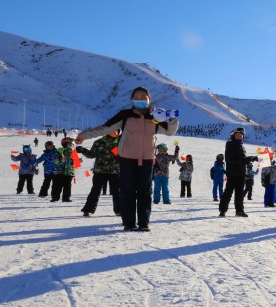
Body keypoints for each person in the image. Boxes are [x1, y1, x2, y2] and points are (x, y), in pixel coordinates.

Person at [75, 86, 179, 231]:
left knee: (145, 192)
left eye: (144, 97)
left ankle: (144, 223)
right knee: (127, 192)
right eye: (137, 97)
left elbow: (169, 132)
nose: (140, 99)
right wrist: (84, 135)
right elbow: (105, 128)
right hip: (127, 160)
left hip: (148, 161)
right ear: (132, 99)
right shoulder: (125, 115)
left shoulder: (155, 116)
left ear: (149, 99)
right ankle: (129, 223)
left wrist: (172, 120)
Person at [77, 130, 122, 217]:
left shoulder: (121, 142)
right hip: (100, 171)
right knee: (95, 191)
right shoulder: (99, 142)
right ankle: (88, 209)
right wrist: (83, 150)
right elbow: (91, 154)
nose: (114, 132)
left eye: (117, 130)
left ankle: (119, 210)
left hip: (116, 171)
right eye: (112, 130)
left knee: (117, 192)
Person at [220, 128, 255, 217]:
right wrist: (246, 159)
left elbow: (243, 160)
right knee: (228, 191)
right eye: (238, 135)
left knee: (239, 193)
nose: (240, 137)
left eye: (241, 136)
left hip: (241, 173)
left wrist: (251, 159)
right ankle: (223, 210)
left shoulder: (241, 147)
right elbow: (230, 160)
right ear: (233, 136)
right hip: (232, 173)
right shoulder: (230, 145)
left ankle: (239, 210)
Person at [50, 137, 77, 203]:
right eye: (69, 144)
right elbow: (55, 160)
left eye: (71, 144)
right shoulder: (60, 150)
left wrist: (76, 161)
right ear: (64, 143)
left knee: (67, 186)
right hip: (60, 171)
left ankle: (66, 198)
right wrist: (60, 160)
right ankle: (55, 198)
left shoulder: (73, 151)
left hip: (69, 171)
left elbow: (75, 162)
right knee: (57, 185)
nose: (71, 145)